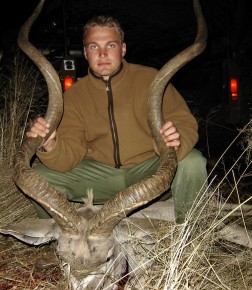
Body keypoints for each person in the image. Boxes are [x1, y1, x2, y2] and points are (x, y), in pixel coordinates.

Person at [27, 15, 208, 224]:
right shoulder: (74, 96)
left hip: (150, 170)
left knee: (192, 162)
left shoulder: (151, 79)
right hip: (103, 177)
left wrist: (176, 140)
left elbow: (184, 123)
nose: (102, 54)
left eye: (110, 45)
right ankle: (62, 240)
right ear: (86, 52)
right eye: (94, 47)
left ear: (122, 49)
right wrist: (52, 145)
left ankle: (190, 237)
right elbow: (70, 156)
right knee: (38, 177)